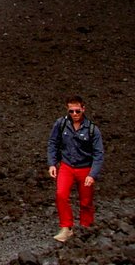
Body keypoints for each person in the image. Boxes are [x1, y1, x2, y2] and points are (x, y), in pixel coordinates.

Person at [47, 96, 104, 242]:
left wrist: (92, 174)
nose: (74, 114)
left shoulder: (92, 129)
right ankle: (66, 227)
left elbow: (98, 154)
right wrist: (52, 163)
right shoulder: (61, 124)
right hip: (67, 166)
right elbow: (53, 143)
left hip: (85, 168)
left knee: (86, 201)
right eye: (71, 111)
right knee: (61, 194)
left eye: (77, 111)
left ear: (83, 109)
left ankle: (86, 228)